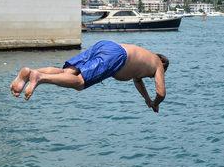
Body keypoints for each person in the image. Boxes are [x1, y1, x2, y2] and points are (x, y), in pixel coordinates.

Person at [10, 40, 168, 113]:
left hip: (106, 45)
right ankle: (39, 77)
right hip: (116, 56)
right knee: (79, 83)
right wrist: (156, 102)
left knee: (67, 73)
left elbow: (138, 81)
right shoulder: (158, 63)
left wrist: (147, 99)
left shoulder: (145, 59)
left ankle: (30, 73)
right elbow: (161, 92)